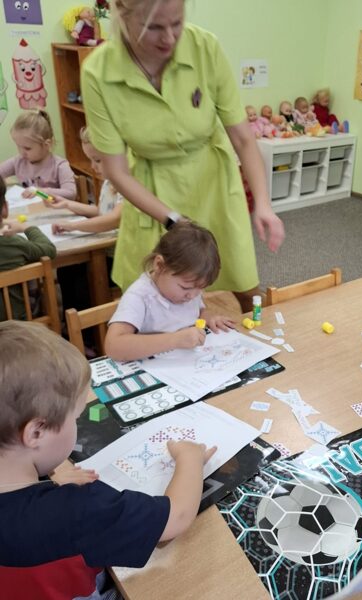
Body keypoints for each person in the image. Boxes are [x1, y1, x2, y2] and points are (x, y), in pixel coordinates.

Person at [80, 0, 285, 311]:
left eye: (177, 23)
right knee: (152, 296)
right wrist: (171, 219)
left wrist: (263, 204)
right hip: (151, 193)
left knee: (244, 285)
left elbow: (243, 138)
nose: (169, 38)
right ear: (122, 14)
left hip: (213, 185)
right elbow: (117, 171)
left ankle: (262, 337)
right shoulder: (98, 73)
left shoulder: (205, 47)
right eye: (153, 28)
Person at [0, 320, 217, 600]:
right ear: (36, 432)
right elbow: (176, 518)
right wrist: (190, 458)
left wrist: (46, 484)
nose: (77, 424)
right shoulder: (78, 508)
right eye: (76, 417)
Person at [105, 221, 235, 361]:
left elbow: (198, 310)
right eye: (185, 287)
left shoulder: (190, 288)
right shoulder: (139, 296)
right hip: (153, 366)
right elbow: (114, 347)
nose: (192, 296)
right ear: (159, 265)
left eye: (201, 288)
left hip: (187, 363)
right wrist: (174, 340)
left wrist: (207, 316)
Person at [0, 175, 57, 321]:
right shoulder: (13, 244)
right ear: (5, 208)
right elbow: (49, 250)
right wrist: (27, 228)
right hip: (18, 325)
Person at [49, 127, 123, 236]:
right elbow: (101, 211)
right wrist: (67, 204)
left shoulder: (126, 185)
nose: (93, 166)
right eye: (90, 160)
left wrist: (73, 226)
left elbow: (114, 219)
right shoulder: (109, 181)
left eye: (97, 160)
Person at [0, 109, 76, 201]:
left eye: (27, 148)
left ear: (46, 145)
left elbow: (71, 193)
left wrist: (40, 191)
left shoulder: (60, 166)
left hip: (53, 208)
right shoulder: (19, 161)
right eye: (19, 146)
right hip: (30, 207)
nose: (22, 153)